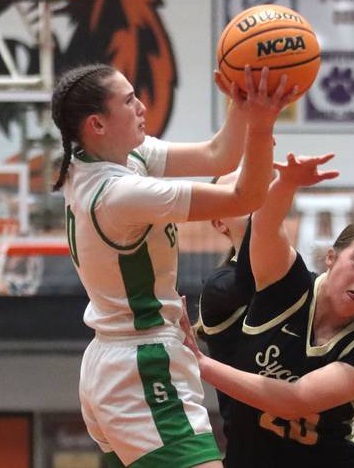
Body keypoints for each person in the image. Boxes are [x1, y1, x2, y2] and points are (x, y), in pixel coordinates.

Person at [52, 62, 295, 468]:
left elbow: (218, 155)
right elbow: (245, 198)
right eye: (129, 101)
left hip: (120, 359)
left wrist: (242, 101)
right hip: (142, 365)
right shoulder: (119, 193)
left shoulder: (108, 158)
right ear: (97, 123)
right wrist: (262, 124)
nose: (142, 107)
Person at [181, 153, 354, 468]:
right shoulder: (282, 282)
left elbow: (296, 400)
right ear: (331, 257)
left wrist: (200, 363)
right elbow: (264, 227)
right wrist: (285, 184)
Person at [195, 169, 255, 446]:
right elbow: (256, 280)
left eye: (259, 189)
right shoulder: (220, 286)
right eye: (240, 193)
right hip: (255, 451)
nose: (255, 198)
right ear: (220, 223)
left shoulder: (300, 277)